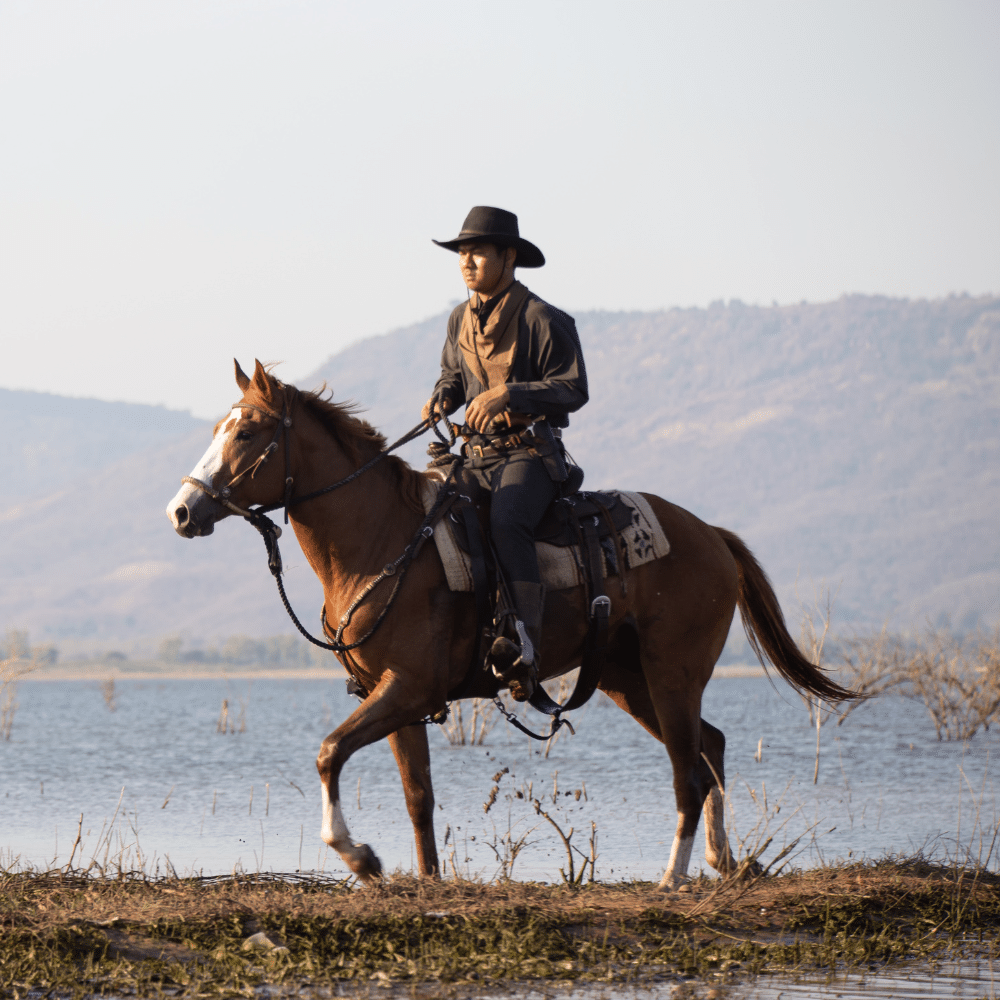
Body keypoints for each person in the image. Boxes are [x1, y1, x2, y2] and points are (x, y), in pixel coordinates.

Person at [422, 206, 588, 700]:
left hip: (529, 454)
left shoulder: (543, 318)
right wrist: (442, 398)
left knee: (508, 522)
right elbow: (453, 375)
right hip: (473, 457)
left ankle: (525, 645)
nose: (466, 261)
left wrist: (510, 395)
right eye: (461, 253)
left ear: (508, 256)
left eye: (476, 251)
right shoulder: (458, 319)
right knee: (430, 514)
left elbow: (573, 389)